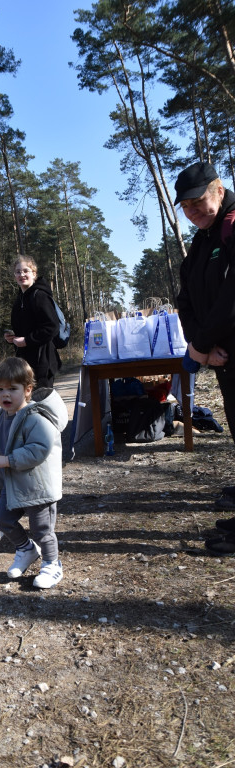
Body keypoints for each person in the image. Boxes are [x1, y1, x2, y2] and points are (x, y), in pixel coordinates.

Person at [175, 161, 235, 554]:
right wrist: (199, 343)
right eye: (186, 207)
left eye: (198, 202)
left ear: (217, 188)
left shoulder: (232, 226)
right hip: (220, 355)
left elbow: (232, 297)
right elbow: (187, 295)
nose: (193, 211)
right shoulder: (204, 236)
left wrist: (204, 343)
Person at [0, 357, 68, 588]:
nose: (5, 395)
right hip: (12, 483)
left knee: (42, 529)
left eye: (12, 389)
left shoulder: (35, 417)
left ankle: (52, 564)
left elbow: (39, 449)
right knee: (2, 519)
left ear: (27, 390)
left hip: (37, 486)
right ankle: (26, 549)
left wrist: (7, 460)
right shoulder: (0, 415)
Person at [4, 256, 61, 388]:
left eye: (26, 271)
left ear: (34, 274)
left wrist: (26, 340)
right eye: (18, 272)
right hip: (25, 363)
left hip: (43, 363)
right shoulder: (20, 299)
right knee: (29, 405)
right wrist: (12, 336)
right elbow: (28, 326)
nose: (22, 274)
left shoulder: (40, 296)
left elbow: (52, 327)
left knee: (41, 404)